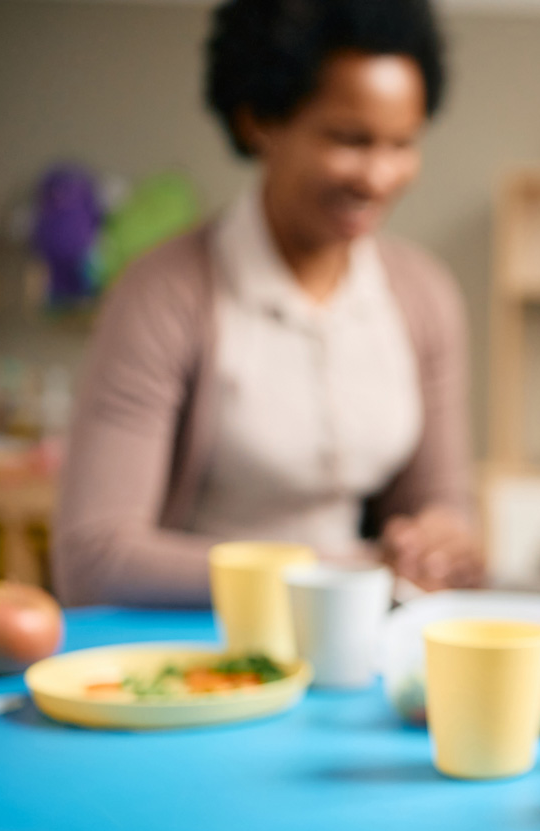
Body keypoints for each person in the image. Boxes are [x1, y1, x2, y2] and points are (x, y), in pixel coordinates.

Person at [52, 0, 479, 608]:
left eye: (402, 144)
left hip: (356, 637)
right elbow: (95, 559)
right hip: (197, 647)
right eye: (349, 140)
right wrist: (342, 573)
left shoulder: (423, 294)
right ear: (260, 121)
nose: (379, 176)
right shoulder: (164, 295)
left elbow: (443, 502)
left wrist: (444, 540)